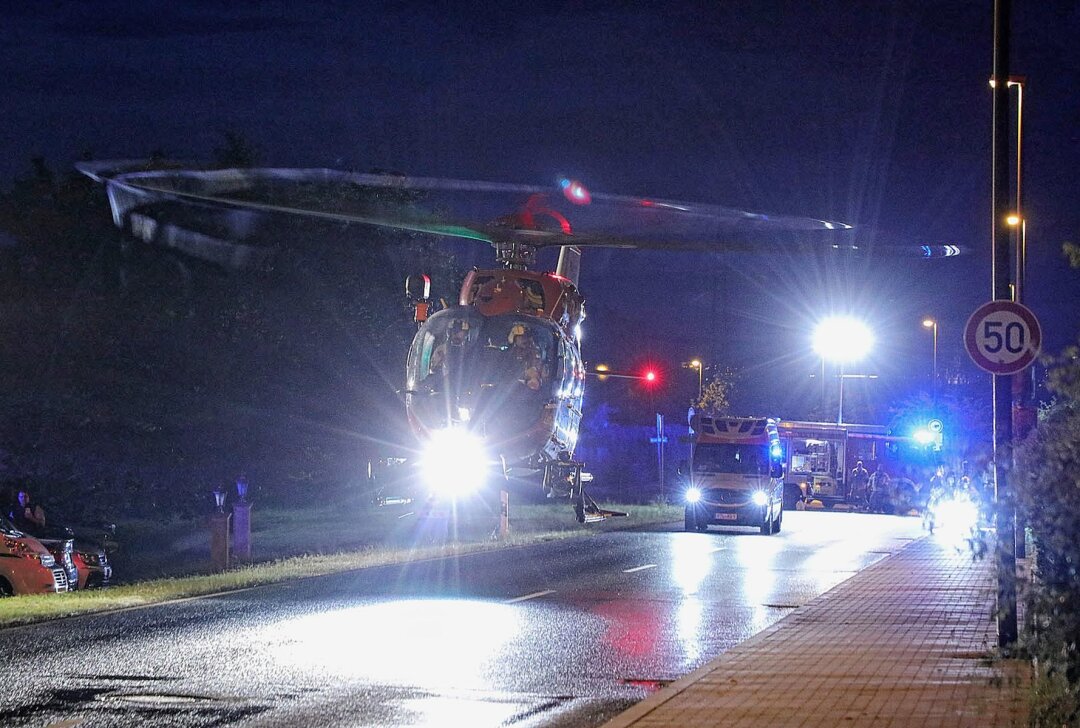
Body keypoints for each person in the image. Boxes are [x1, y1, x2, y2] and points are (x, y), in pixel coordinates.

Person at [508, 324, 543, 391]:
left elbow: (535, 381)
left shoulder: (534, 352)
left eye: (526, 337)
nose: (524, 339)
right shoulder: (510, 354)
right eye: (521, 337)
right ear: (514, 338)